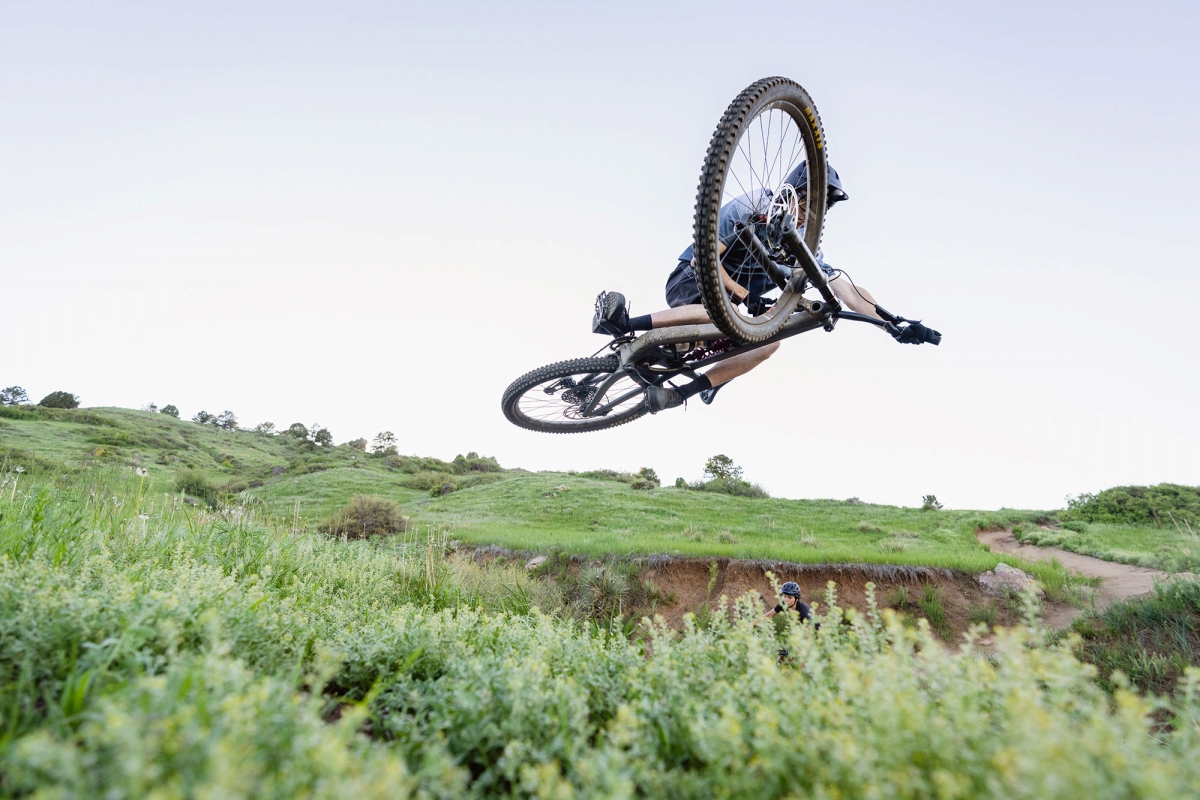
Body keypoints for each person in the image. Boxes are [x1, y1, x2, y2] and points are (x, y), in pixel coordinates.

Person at [591, 163, 938, 413]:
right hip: (695, 282)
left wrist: (890, 321)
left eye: (821, 207)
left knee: (769, 344)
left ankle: (685, 393)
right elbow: (703, 261)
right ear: (792, 192)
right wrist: (745, 297)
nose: (808, 213)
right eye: (805, 201)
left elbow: (845, 288)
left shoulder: (806, 247)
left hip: (734, 309)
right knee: (718, 314)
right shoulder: (753, 205)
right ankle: (624, 323)